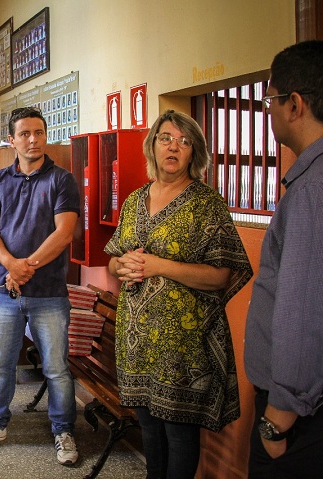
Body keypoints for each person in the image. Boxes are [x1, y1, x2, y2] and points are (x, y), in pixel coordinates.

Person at [104, 110, 253, 478]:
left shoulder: (206, 204)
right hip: (137, 343)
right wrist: (121, 266)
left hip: (184, 347)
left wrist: (158, 266)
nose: (174, 146)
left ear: (194, 154)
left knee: (180, 435)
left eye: (185, 142)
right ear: (152, 145)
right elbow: (112, 260)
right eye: (166, 138)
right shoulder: (135, 200)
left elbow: (222, 275)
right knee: (151, 433)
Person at [0, 107, 80, 467]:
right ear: (12, 140)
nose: (33, 139)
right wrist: (11, 266)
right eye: (25, 133)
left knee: (56, 368)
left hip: (48, 292)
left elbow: (64, 234)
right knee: (1, 364)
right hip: (5, 291)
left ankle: (63, 430)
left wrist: (25, 266)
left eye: (39, 132)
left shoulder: (62, 180)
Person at [244, 40, 323, 478]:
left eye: (270, 100)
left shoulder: (312, 190)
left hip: (298, 413)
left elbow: (303, 310)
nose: (267, 111)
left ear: (294, 104)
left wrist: (278, 418)